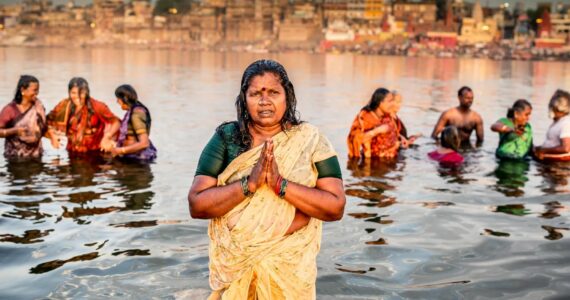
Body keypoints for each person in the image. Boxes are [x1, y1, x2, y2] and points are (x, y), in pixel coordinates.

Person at [188, 59, 346, 299]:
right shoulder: (227, 138)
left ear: (287, 96)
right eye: (255, 94)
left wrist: (279, 184)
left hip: (290, 268)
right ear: (244, 99)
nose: (264, 101)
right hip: (237, 262)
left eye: (274, 92)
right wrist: (249, 184)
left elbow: (335, 207)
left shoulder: (310, 139)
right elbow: (197, 205)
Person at [47, 77, 120, 154]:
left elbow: (116, 122)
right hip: (72, 152)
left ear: (87, 92)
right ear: (69, 92)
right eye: (73, 93)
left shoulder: (98, 106)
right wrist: (52, 135)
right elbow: (46, 121)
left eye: (81, 93)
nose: (77, 97)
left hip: (95, 153)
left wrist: (107, 137)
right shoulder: (64, 105)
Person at [0, 75, 51, 158]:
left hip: (36, 156)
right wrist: (14, 131)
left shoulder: (38, 107)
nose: (37, 93)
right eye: (34, 90)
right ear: (23, 90)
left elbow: (42, 128)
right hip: (15, 158)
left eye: (38, 90)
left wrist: (52, 137)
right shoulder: (10, 109)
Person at [107, 84, 157, 161]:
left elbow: (144, 143)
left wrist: (121, 150)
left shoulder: (136, 114)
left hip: (137, 161)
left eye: (118, 99)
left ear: (124, 99)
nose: (117, 101)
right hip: (130, 157)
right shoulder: (132, 111)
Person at [347, 88, 400, 158]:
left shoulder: (388, 116)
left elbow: (395, 132)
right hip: (372, 162)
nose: (392, 104)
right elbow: (355, 139)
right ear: (379, 102)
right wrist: (376, 131)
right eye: (389, 101)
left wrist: (401, 140)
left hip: (390, 160)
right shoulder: (365, 117)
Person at [534, 89, 570, 161]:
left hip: (556, 165)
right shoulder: (558, 121)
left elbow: (566, 148)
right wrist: (539, 148)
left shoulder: (566, 123)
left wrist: (543, 150)